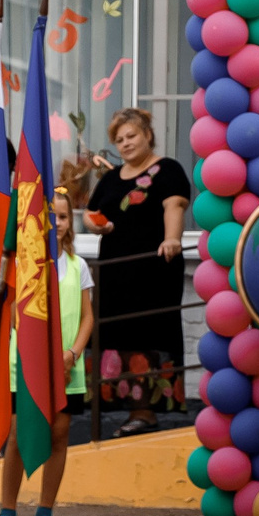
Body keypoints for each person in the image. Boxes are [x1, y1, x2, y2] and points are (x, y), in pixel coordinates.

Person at [83, 107, 192, 435]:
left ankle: (146, 412)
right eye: (119, 139)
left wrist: (172, 239)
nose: (126, 143)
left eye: (131, 136)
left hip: (153, 271)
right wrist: (96, 226)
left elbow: (174, 205)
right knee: (115, 335)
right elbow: (91, 213)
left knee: (148, 335)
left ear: (147, 135)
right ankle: (130, 410)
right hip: (115, 273)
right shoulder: (113, 177)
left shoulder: (167, 169)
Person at [0, 190, 95, 516]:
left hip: (67, 366)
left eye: (63, 217)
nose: (56, 224)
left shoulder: (78, 266)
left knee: (59, 434)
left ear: (71, 223)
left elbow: (86, 318)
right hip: (25, 365)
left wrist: (72, 354)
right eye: (50, 217)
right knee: (17, 435)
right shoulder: (23, 265)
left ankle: (44, 513)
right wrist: (37, 356)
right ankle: (7, 512)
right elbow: (12, 316)